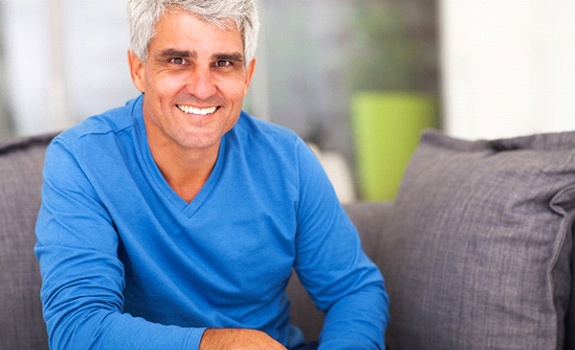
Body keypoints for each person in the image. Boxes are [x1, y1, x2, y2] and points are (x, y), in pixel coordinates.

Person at [34, 0, 389, 349]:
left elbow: (353, 291)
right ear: (138, 69)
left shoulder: (288, 160)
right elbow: (78, 330)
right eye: (178, 60)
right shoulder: (82, 159)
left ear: (247, 75)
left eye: (223, 63)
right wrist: (219, 345)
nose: (202, 88)